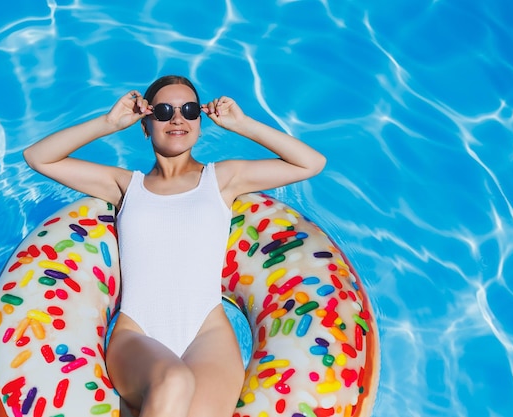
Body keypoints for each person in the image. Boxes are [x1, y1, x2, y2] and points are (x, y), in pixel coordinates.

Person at [23, 75, 326, 417]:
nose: (178, 118)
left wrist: (242, 125)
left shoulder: (222, 179)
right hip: (137, 333)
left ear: (200, 121)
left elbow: (311, 163)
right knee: (173, 382)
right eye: (164, 111)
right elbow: (39, 157)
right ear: (145, 124)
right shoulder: (125, 186)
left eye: (190, 110)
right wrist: (108, 123)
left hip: (208, 334)